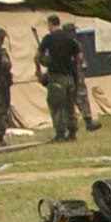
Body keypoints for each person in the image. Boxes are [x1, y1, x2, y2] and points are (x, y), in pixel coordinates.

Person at [33, 14, 80, 142]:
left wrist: (38, 69)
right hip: (70, 77)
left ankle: (60, 134)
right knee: (70, 106)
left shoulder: (48, 39)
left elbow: (37, 56)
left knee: (56, 106)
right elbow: (79, 57)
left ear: (50, 24)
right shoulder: (70, 39)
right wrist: (76, 71)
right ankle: (72, 132)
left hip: (56, 77)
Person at [63, 22, 99, 132]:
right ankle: (72, 125)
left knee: (80, 98)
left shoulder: (75, 43)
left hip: (74, 74)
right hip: (71, 74)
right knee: (71, 100)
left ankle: (87, 121)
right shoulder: (69, 44)